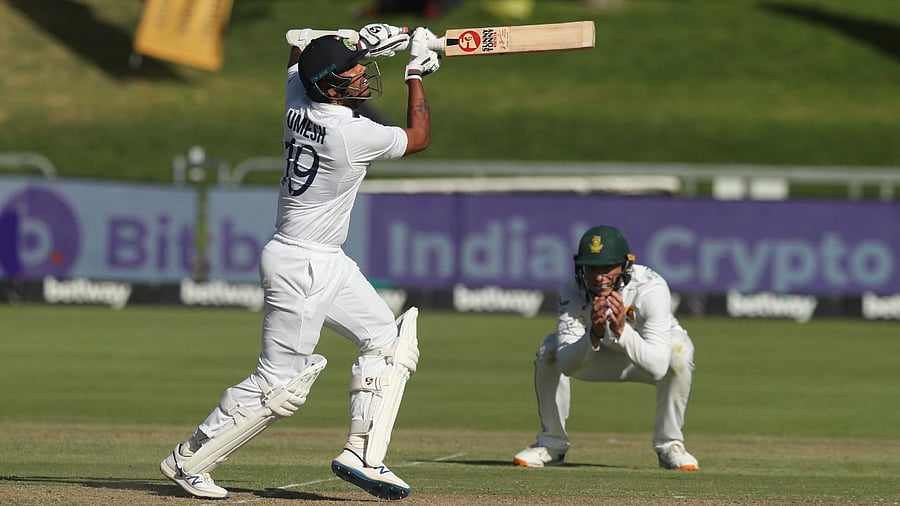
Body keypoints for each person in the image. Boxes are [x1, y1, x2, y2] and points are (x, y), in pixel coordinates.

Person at [159, 24, 441, 500]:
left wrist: (358, 40)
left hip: (324, 259)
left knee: (387, 341)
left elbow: (296, 48)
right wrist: (415, 71)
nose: (362, 77)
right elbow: (418, 137)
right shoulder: (348, 133)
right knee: (280, 385)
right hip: (302, 266)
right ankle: (191, 458)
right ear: (330, 87)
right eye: (352, 72)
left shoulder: (298, 98)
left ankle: (363, 454)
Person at [513, 225, 699, 471]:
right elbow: (567, 364)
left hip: (643, 360)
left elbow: (657, 367)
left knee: (679, 350)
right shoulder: (573, 291)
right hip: (597, 358)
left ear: (625, 265)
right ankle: (552, 443)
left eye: (607, 268)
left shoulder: (651, 288)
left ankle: (669, 445)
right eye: (592, 268)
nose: (599, 277)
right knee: (549, 350)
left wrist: (622, 330)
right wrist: (595, 333)